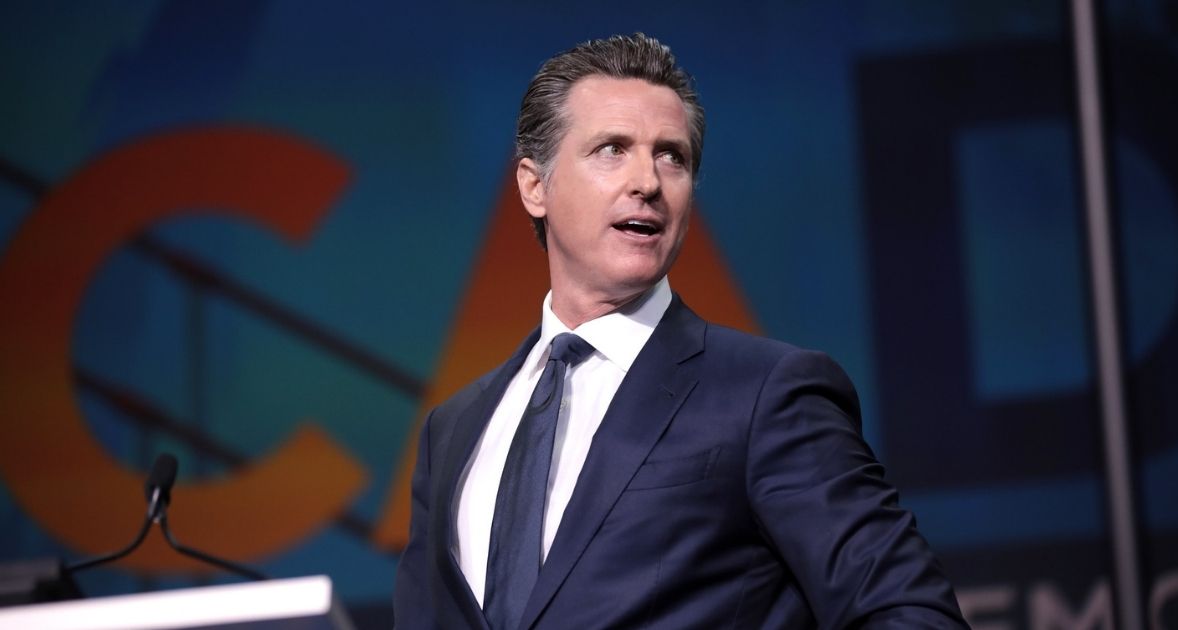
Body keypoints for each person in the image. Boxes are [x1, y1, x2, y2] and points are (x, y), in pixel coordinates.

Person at [393, 33, 967, 629]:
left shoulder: (766, 393)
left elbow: (911, 614)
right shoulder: (453, 431)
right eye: (612, 149)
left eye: (673, 156)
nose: (648, 180)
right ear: (534, 186)